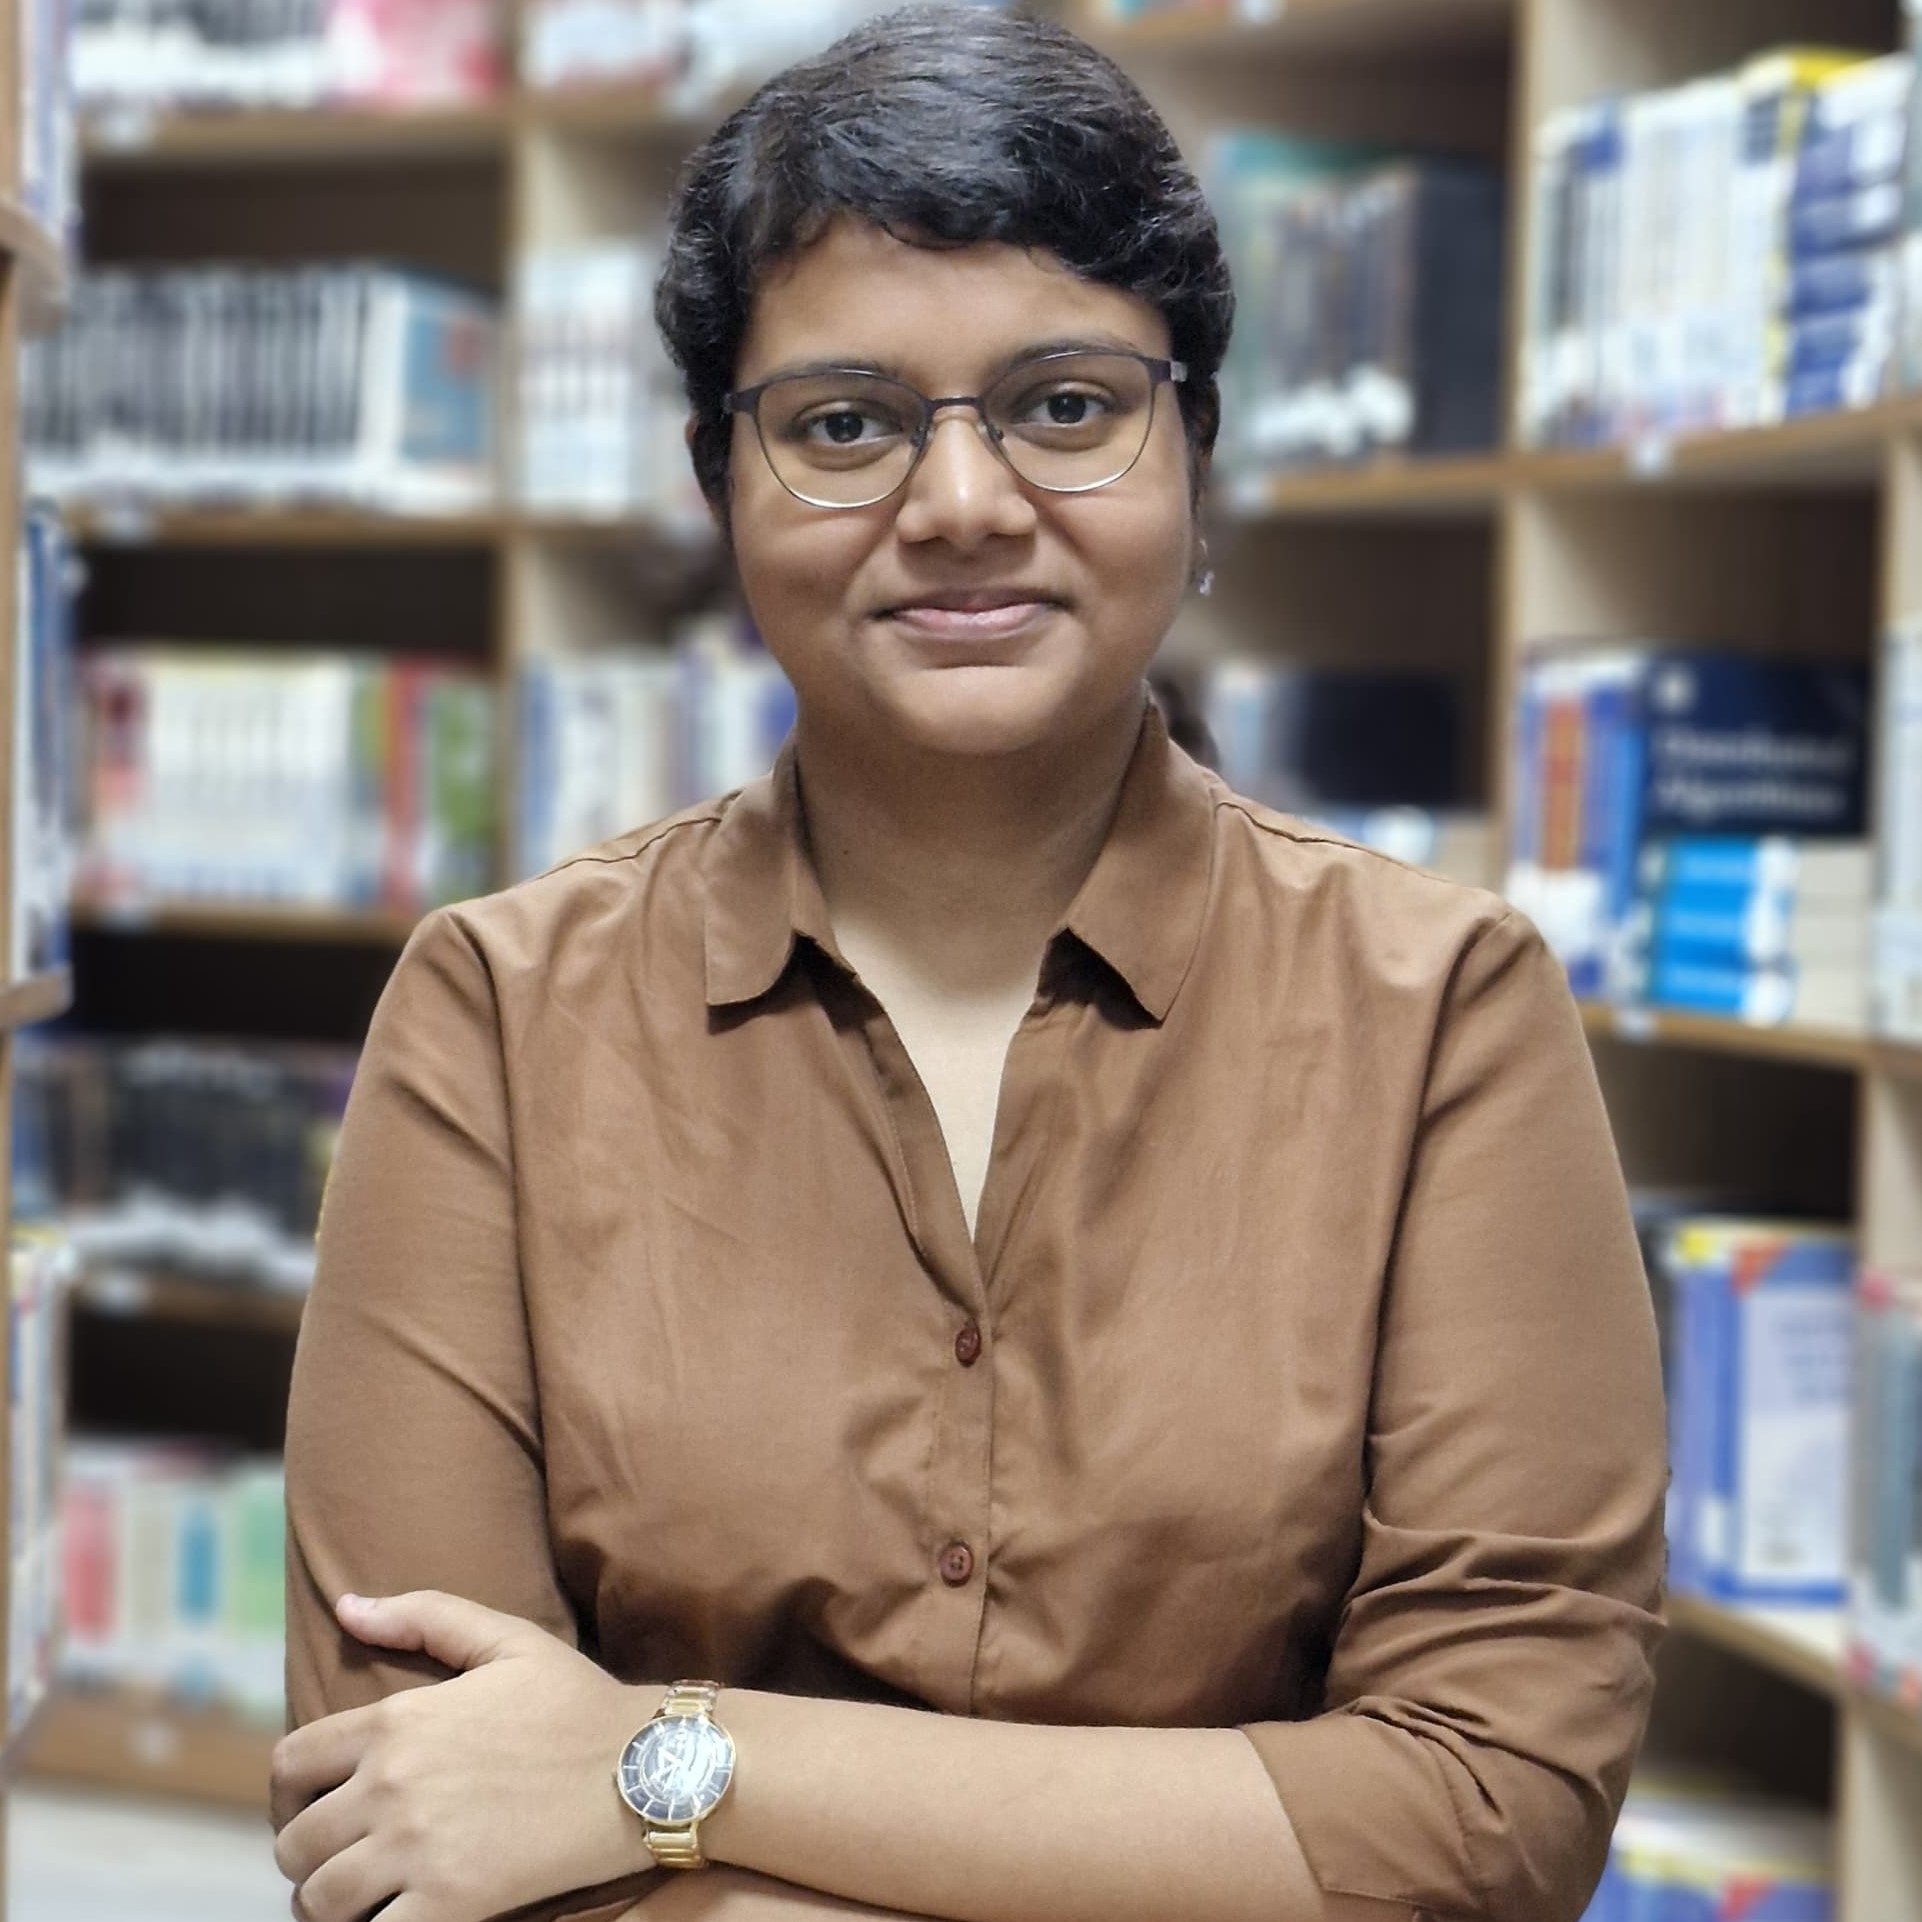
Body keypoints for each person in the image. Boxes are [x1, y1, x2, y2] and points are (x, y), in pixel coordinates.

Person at [269, 9, 1667, 1922]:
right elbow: (405, 1820)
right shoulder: (498, 1015)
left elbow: (1486, 1813)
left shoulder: (1442, 1014)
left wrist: (655, 1762)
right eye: (842, 423)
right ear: (718, 483)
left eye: (1065, 405)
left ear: (1196, 452)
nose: (959, 505)